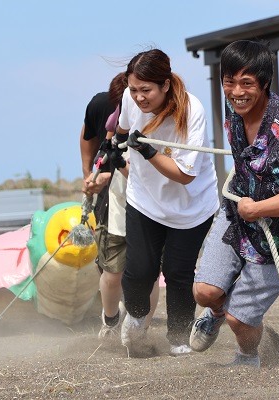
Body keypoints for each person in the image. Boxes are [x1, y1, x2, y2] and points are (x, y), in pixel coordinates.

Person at [189, 40, 279, 368]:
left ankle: (247, 357)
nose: (237, 91)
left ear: (264, 84)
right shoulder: (235, 115)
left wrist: (259, 209)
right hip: (238, 213)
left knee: (241, 321)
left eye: (247, 83)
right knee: (204, 292)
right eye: (229, 82)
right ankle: (215, 314)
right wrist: (246, 207)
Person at [113, 49, 219, 355]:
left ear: (165, 85)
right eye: (133, 89)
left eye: (146, 90)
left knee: (178, 271)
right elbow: (121, 127)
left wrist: (147, 152)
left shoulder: (191, 111)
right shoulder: (130, 100)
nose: (139, 97)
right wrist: (116, 143)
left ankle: (178, 340)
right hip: (144, 198)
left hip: (191, 206)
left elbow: (185, 175)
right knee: (140, 268)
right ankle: (134, 321)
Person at [80, 73, 159, 339]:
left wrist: (118, 166)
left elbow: (148, 176)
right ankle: (111, 319)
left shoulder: (160, 124)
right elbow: (96, 147)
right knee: (112, 273)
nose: (137, 99)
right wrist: (92, 176)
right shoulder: (107, 114)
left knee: (149, 275)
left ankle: (142, 330)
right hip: (118, 211)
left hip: (151, 210)